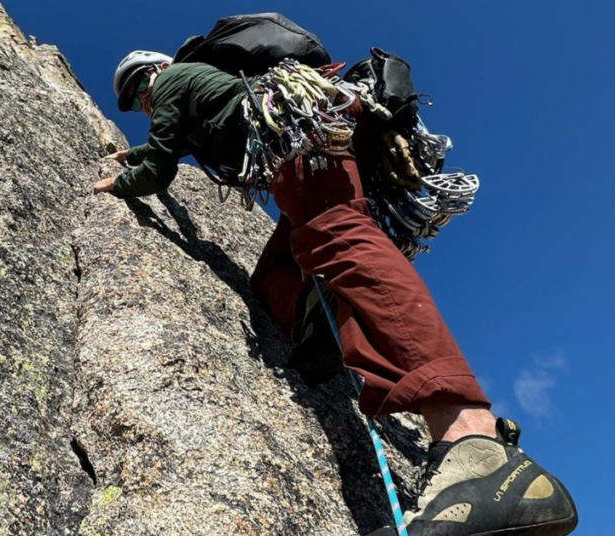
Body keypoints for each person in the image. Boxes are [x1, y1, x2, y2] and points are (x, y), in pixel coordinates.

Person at [92, 50, 578, 536]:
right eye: (135, 106)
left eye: (138, 93)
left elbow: (160, 164)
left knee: (337, 234)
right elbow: (169, 147)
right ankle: (313, 317)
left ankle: (474, 443)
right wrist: (134, 153)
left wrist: (121, 182)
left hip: (302, 139)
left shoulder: (174, 79)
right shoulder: (203, 97)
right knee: (276, 272)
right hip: (310, 141)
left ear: (155, 71)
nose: (143, 106)